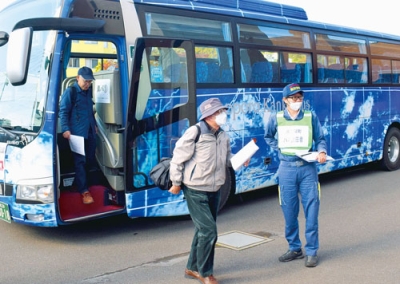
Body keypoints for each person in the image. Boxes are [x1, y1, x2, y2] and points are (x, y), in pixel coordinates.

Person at [169, 98, 238, 284]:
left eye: (222, 111)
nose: (223, 115)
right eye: (219, 112)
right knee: (209, 231)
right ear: (208, 115)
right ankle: (204, 273)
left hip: (215, 188)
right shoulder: (196, 131)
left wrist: (239, 160)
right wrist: (176, 182)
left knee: (202, 230)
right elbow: (178, 158)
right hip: (195, 189)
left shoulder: (223, 135)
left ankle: (192, 268)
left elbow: (227, 157)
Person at [264, 83, 327, 268]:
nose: (297, 101)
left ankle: (312, 251)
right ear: (285, 100)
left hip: (308, 168)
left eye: (300, 98)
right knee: (289, 211)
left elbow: (320, 138)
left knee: (311, 210)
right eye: (293, 98)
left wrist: (321, 152)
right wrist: (280, 148)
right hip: (287, 168)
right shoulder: (276, 118)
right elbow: (268, 136)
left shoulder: (310, 116)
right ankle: (294, 248)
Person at [59, 66, 97, 205]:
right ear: (77, 78)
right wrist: (65, 129)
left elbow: (90, 111)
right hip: (76, 134)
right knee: (80, 162)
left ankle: (80, 184)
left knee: (90, 159)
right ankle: (84, 191)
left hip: (90, 132)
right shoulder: (71, 92)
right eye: (85, 81)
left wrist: (95, 126)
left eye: (89, 82)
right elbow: (63, 111)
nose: (87, 84)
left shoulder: (88, 92)